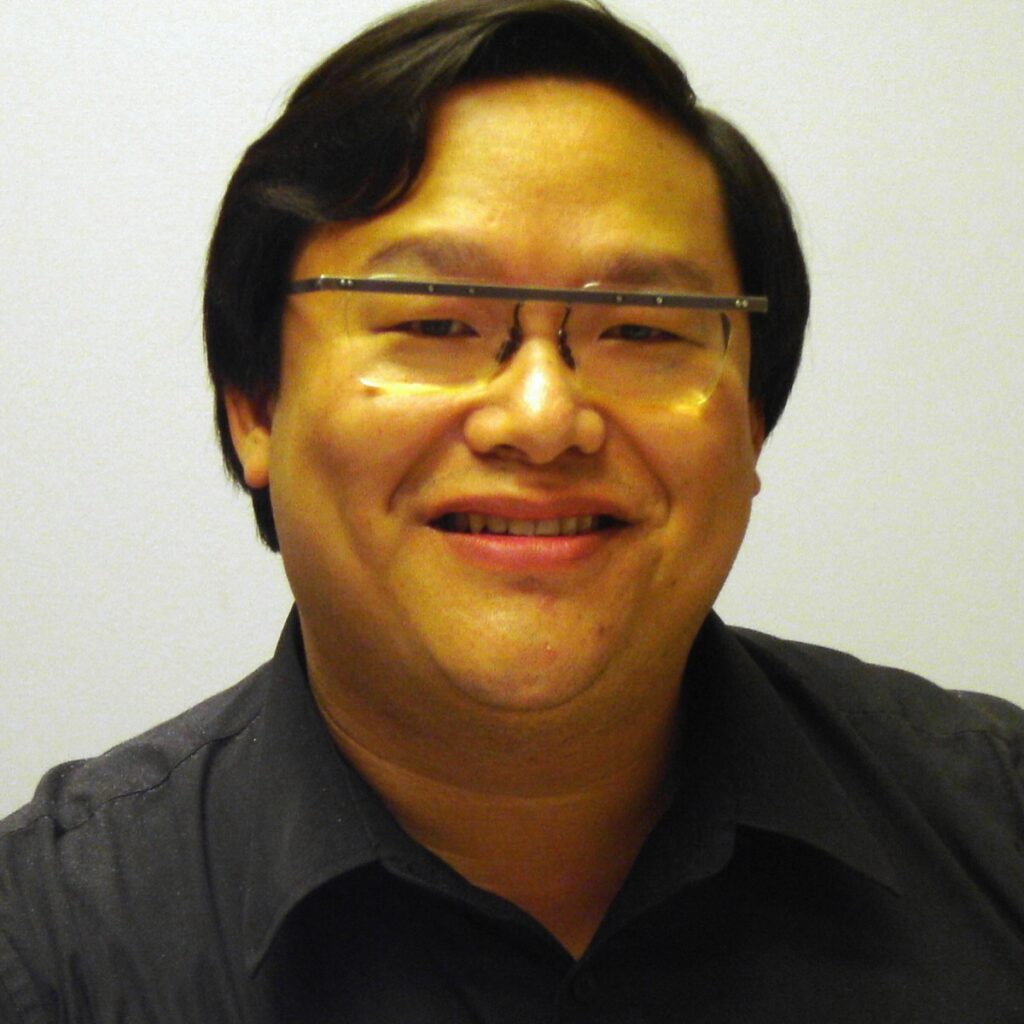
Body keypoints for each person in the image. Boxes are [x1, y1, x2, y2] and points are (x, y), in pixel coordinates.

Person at [1, 0, 1021, 1019]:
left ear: (752, 421)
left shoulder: (996, 826)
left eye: (642, 328)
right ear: (256, 407)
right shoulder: (51, 946)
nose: (543, 417)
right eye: (436, 320)